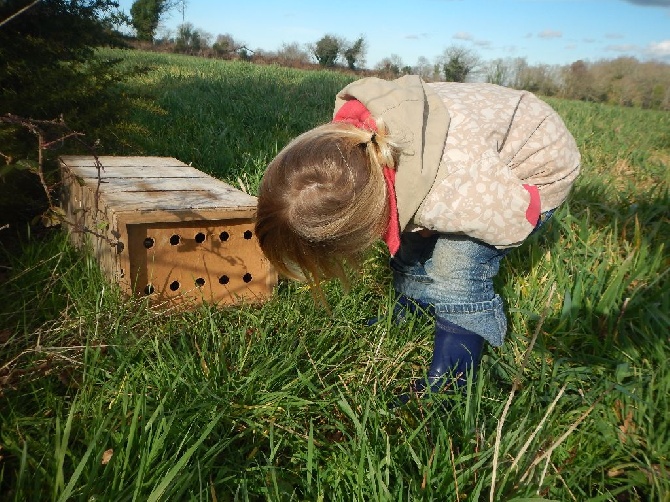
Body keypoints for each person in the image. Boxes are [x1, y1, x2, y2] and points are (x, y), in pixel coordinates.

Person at [255, 75, 580, 399]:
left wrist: (451, 230)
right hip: (469, 155)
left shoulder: (455, 191)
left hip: (534, 168)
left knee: (457, 270)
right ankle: (414, 307)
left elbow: (504, 215)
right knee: (412, 244)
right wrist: (418, 228)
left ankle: (454, 381)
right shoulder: (354, 148)